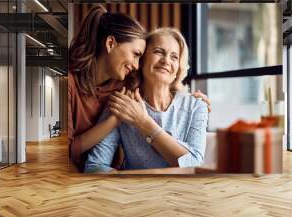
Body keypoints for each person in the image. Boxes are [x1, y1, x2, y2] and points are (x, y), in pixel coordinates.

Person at [85, 28, 208, 173]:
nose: (166, 61)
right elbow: (94, 166)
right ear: (141, 61)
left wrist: (143, 122)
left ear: (178, 68)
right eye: (158, 52)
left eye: (174, 57)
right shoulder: (123, 103)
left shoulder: (197, 106)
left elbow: (194, 164)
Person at [68, 5, 147, 171]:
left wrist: (196, 100)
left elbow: (164, 89)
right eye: (135, 54)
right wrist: (114, 120)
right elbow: (68, 150)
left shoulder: (126, 84)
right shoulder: (69, 83)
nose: (136, 65)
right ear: (111, 43)